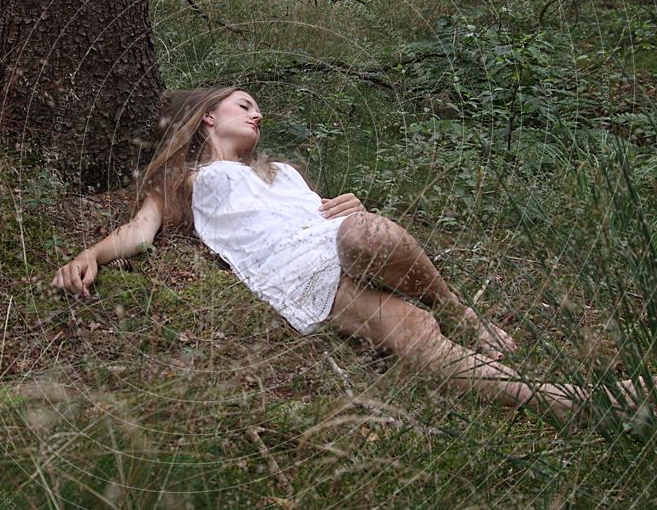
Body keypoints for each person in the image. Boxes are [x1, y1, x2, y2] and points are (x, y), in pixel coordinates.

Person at [52, 86, 647, 424]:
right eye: (244, 105)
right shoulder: (183, 180)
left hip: (339, 240)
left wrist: (347, 206)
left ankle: (463, 311)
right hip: (295, 275)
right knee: (414, 333)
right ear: (209, 115)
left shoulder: (282, 171)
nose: (258, 113)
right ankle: (577, 405)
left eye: (260, 107)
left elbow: (324, 214)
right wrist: (93, 255)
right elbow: (139, 231)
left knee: (369, 235)